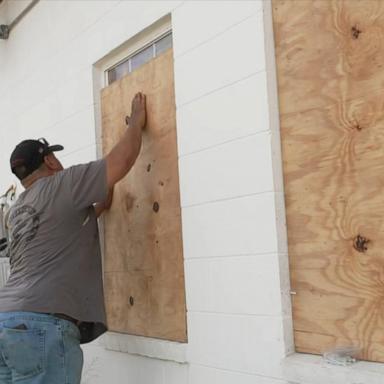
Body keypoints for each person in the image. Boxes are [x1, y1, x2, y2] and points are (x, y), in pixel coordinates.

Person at [0, 92, 147, 384]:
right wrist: (136, 124)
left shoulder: (16, 212)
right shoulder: (62, 184)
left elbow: (91, 211)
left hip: (6, 322)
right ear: (50, 161)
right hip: (43, 324)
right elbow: (123, 160)